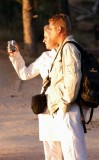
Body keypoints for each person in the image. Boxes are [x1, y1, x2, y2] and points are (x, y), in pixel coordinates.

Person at [7, 26, 64, 159]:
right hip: (46, 107)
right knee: (49, 148)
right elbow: (25, 74)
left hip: (64, 106)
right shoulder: (45, 56)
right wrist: (15, 56)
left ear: (56, 36)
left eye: (46, 36)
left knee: (66, 147)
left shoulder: (68, 54)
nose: (43, 40)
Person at [44, 14, 88, 160]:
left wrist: (64, 104)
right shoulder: (65, 47)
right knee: (71, 151)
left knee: (73, 153)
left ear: (59, 29)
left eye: (51, 28)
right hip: (67, 108)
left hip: (69, 109)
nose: (49, 32)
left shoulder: (68, 48)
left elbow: (73, 79)